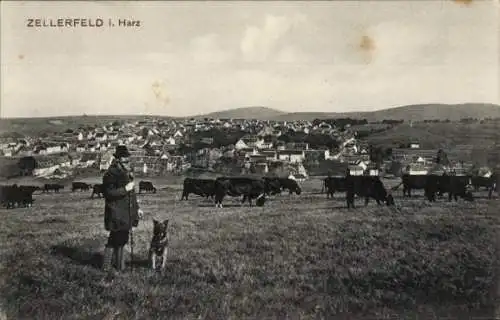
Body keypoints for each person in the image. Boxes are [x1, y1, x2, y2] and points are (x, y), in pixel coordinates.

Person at [101, 145, 143, 274]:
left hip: (126, 211)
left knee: (121, 239)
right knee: (115, 239)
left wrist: (138, 208)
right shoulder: (111, 173)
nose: (127, 160)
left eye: (127, 158)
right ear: (118, 159)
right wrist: (125, 189)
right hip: (116, 211)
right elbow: (108, 193)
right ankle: (108, 267)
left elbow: (132, 194)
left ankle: (118, 267)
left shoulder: (126, 172)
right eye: (124, 158)